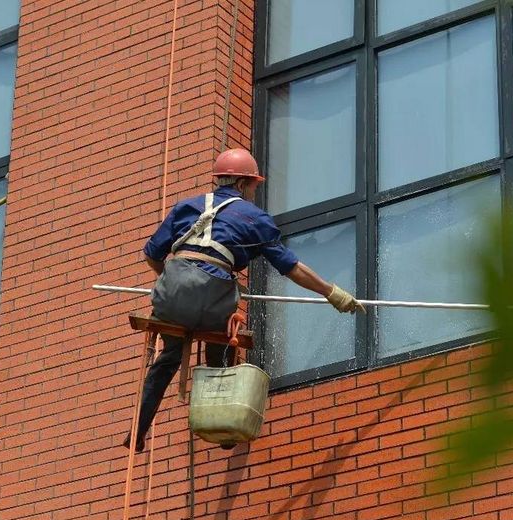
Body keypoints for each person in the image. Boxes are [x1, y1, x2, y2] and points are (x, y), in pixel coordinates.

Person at [124, 149, 364, 452]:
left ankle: (139, 429)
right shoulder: (254, 217)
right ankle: (223, 429)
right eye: (253, 187)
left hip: (171, 295)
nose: (253, 193)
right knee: (221, 351)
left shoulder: (185, 207)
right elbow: (291, 268)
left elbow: (152, 254)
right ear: (241, 184)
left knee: (168, 358)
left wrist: (171, 283)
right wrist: (332, 293)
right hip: (213, 299)